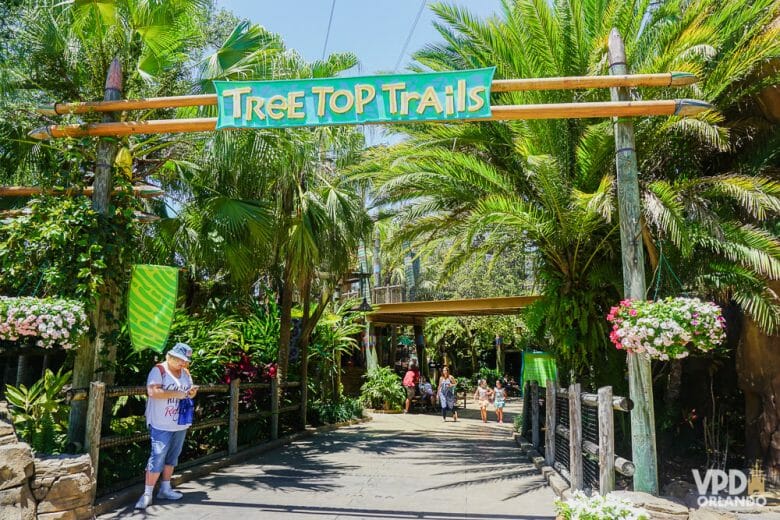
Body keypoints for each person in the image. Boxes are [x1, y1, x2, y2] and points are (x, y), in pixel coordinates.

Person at [135, 343, 198, 510]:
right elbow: (153, 392)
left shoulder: (185, 372)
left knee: (172, 457)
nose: (183, 364)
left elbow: (189, 389)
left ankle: (165, 488)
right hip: (161, 422)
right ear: (171, 357)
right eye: (180, 360)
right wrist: (176, 394)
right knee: (157, 455)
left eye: (185, 361)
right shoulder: (159, 370)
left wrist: (191, 392)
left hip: (180, 422)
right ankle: (147, 493)